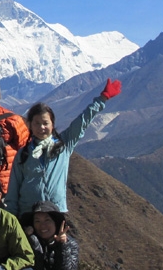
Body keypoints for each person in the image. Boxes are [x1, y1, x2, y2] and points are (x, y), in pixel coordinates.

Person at [6, 79, 121, 215]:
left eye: (45, 123)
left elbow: (81, 123)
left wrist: (102, 99)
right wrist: (12, 217)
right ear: (30, 125)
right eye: (36, 123)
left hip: (56, 212)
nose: (41, 127)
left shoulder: (63, 145)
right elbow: (13, 189)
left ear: (52, 124)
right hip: (28, 214)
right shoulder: (23, 153)